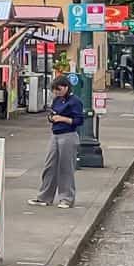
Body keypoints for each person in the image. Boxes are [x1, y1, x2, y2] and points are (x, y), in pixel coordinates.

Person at [33, 75, 84, 209]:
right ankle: (44, 196)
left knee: (66, 168)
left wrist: (62, 118)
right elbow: (51, 113)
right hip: (55, 134)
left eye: (59, 89)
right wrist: (52, 118)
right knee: (49, 166)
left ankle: (66, 198)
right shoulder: (56, 100)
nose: (57, 92)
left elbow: (79, 120)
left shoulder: (75, 101)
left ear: (66, 87)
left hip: (68, 135)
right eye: (55, 90)